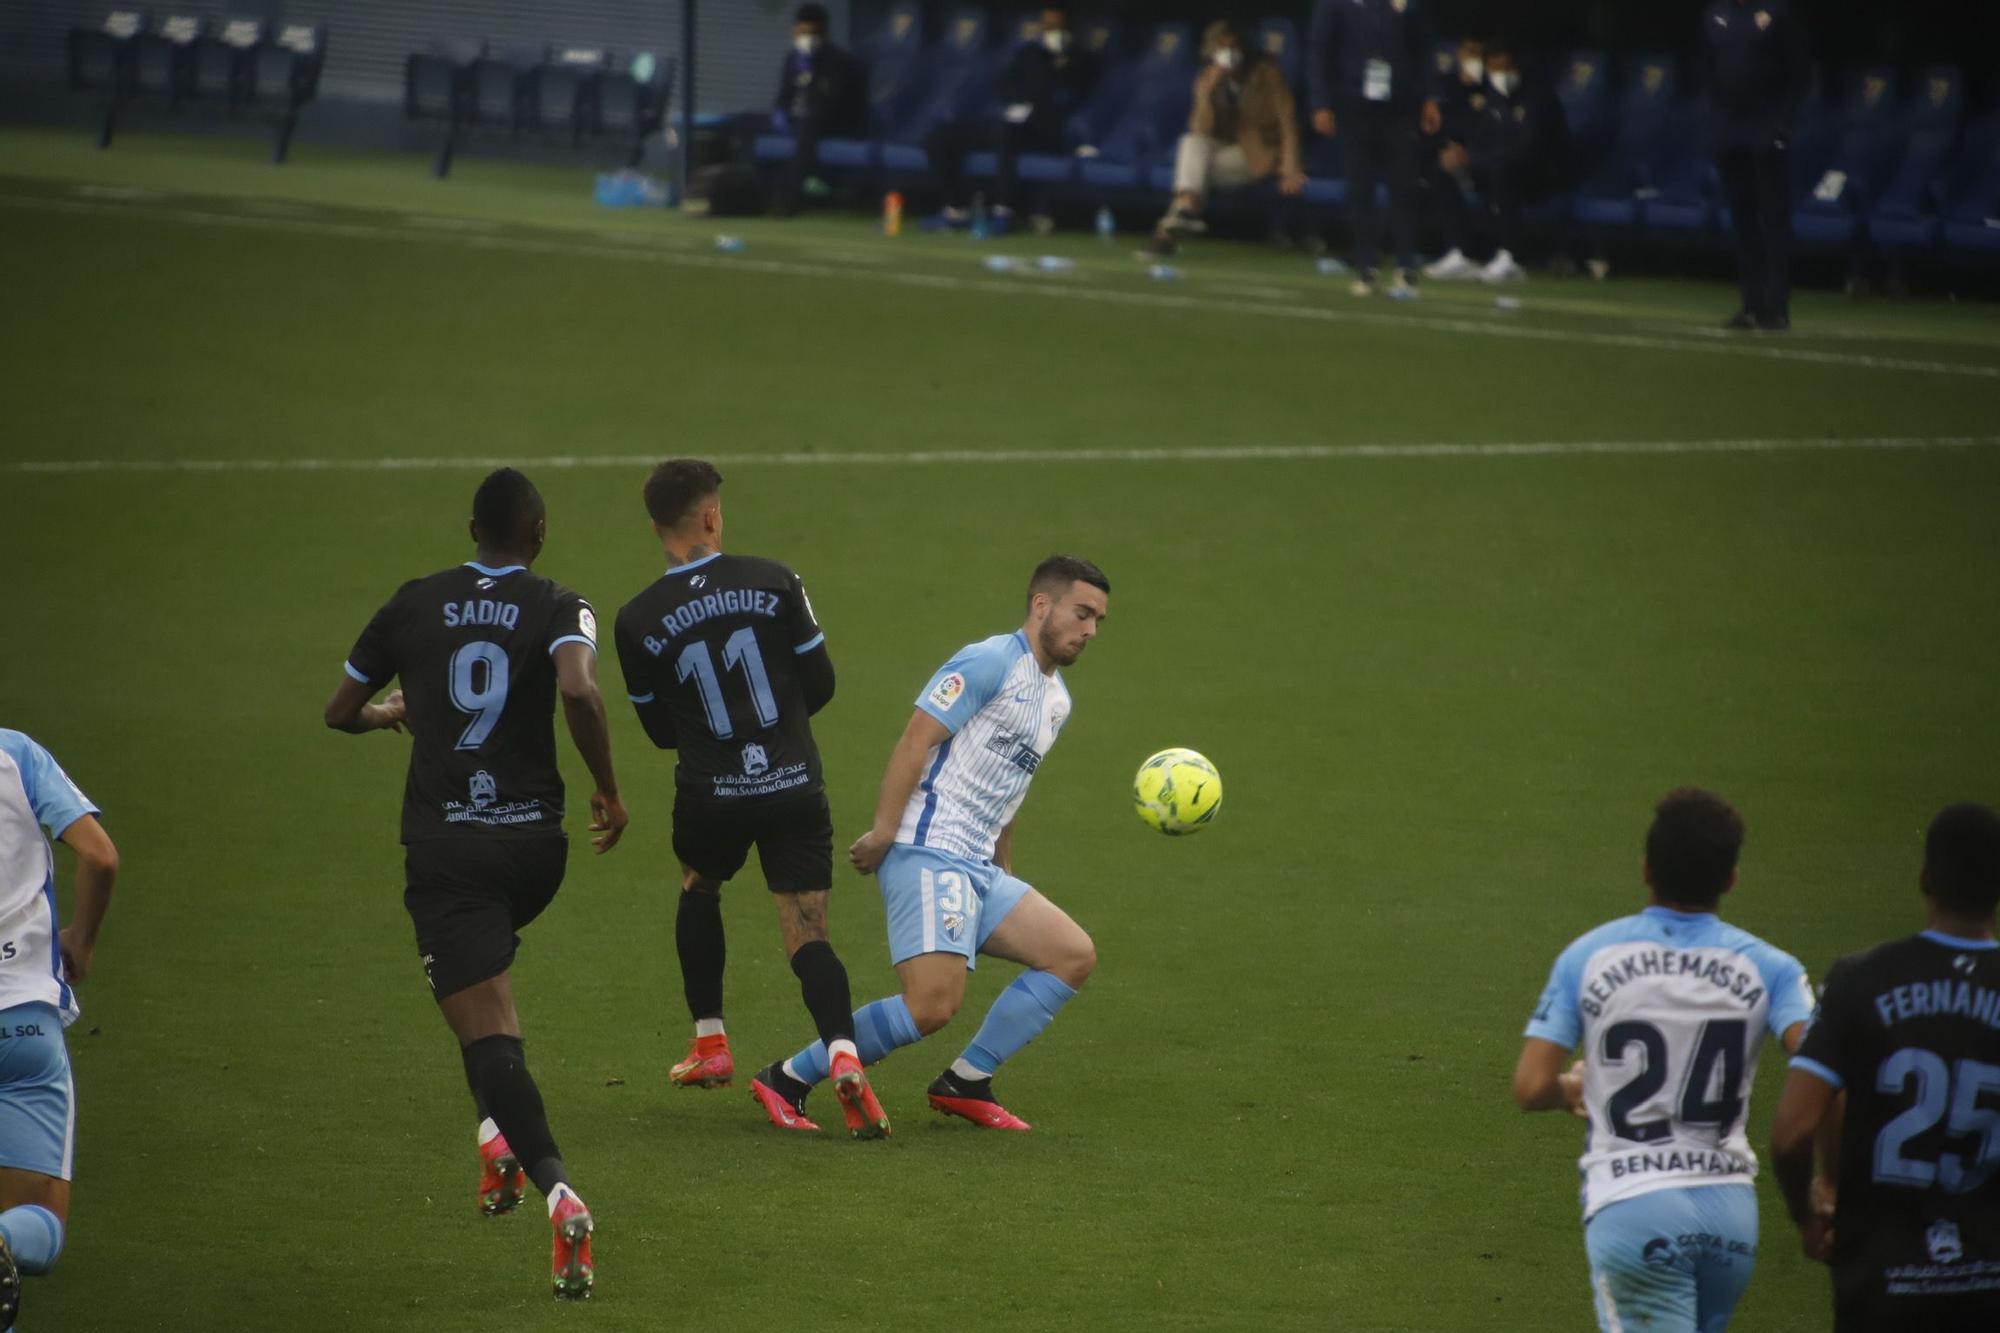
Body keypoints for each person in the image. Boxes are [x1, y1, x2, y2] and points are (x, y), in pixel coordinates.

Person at [324, 467, 626, 1301]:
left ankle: (558, 1188)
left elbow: (337, 708)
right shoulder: (561, 602)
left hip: (449, 850)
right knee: (483, 989)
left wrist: (389, 713)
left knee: (487, 1029)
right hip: (535, 849)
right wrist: (607, 784)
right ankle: (496, 1145)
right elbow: (578, 686)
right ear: (538, 533)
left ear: (471, 530)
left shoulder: (413, 601)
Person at [748, 556, 1107, 1134]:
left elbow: (1011, 784)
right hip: (926, 849)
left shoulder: (1057, 700)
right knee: (932, 1005)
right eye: (1082, 613)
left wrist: (1002, 864)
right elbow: (916, 738)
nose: (1089, 630)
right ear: (1042, 605)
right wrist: (886, 832)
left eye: (1098, 621)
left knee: (1072, 955)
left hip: (976, 866)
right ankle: (786, 1077)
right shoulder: (988, 661)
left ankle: (967, 1081)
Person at [613, 460, 885, 1139]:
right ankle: (844, 1053)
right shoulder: (775, 579)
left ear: (655, 525)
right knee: (807, 932)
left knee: (700, 885)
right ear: (711, 515)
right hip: (794, 784)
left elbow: (655, 729)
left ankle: (710, 1043)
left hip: (712, 794)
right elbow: (819, 683)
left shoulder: (637, 618)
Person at [1513, 788, 1816, 1333]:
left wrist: (1573, 1089)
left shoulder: (1589, 955)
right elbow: (1823, 1064)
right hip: (1729, 1213)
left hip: (1634, 1205)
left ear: (1646, 868)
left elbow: (1531, 1086)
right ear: (1731, 879)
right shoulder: (1772, 967)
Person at [1770, 803, 2000, 1331]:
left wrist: (1808, 1215)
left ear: (1925, 877)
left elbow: (1790, 1134)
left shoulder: (1860, 981)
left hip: (1881, 1282)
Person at [0, 731, 116, 1331]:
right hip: (23, 1029)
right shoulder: (16, 754)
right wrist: (84, 942)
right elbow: (99, 855)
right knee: (34, 1232)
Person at [1307, 0, 1442, 298]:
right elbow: (1319, 50)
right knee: (1360, 189)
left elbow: (1424, 46)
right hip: (1353, 106)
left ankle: (1405, 266)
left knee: (1404, 186)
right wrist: (1320, 102)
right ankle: (1367, 266)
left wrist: (1431, 96)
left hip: (1400, 106)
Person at [925, 9, 1097, 236]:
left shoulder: (1078, 55)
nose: (1047, 21)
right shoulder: (1027, 51)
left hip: (1042, 129)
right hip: (1009, 118)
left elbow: (1072, 89)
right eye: (1044, 16)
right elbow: (1006, 86)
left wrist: (1057, 59)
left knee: (1004, 135)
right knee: (940, 136)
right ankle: (955, 209)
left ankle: (1003, 211)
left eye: (1053, 16)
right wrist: (1014, 104)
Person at [1700, 0, 1811, 331]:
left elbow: (1799, 71)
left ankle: (1776, 308)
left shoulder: (1777, 13)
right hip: (1729, 130)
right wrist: (1714, 116)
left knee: (1774, 220)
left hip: (1766, 127)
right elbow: (1707, 67)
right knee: (1743, 221)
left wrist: (1784, 123)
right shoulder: (1716, 15)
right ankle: (1751, 305)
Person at [1151, 21, 1306, 249]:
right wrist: (1209, 90)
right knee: (1190, 143)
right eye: (1222, 48)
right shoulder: (1208, 78)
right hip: (1222, 147)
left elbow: (1288, 123)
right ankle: (1184, 213)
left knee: (1196, 170)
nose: (1229, 53)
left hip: (1257, 152)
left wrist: (1291, 168)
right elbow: (1200, 128)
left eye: (1233, 46)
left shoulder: (1267, 73)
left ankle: (1169, 231)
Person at [1424, 38, 1568, 284]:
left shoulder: (1538, 98)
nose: (1499, 75)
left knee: (1502, 169)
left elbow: (1528, 149)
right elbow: (1482, 138)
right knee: (1446, 169)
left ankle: (1511, 257)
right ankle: (1464, 252)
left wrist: (1477, 158)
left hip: (1538, 176)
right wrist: (1464, 155)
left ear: (1516, 67)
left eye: (1504, 69)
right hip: (1496, 168)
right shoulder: (1495, 96)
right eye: (1494, 69)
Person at [767, 3, 866, 216]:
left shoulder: (838, 60)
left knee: (808, 129)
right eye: (803, 32)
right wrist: (780, 113)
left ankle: (789, 200)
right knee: (748, 121)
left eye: (814, 33)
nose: (808, 38)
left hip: (838, 122)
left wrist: (810, 75)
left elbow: (829, 102)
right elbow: (784, 95)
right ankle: (756, 194)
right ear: (795, 30)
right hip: (805, 119)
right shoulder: (793, 58)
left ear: (825, 33)